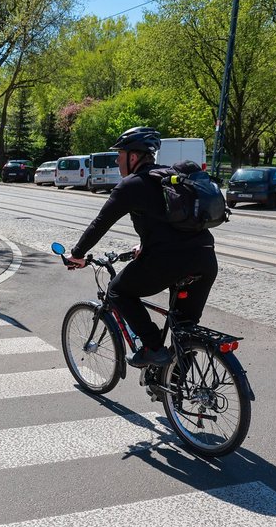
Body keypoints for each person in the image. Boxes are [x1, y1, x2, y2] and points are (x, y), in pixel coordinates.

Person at [65, 126, 218, 368]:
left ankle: (153, 348)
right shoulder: (170, 178)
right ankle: (176, 392)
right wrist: (145, 244)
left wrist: (77, 254)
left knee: (117, 291)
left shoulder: (131, 185)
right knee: (185, 331)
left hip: (168, 262)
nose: (117, 161)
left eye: (120, 155)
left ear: (133, 157)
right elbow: (169, 221)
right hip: (205, 259)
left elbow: (100, 223)